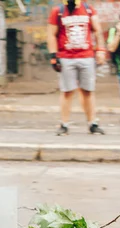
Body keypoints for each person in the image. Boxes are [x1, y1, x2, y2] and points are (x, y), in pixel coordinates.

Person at [47, 0, 106, 136]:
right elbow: (51, 34)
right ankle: (64, 124)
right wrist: (53, 56)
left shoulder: (88, 9)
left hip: (86, 56)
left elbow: (97, 30)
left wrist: (101, 50)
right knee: (67, 91)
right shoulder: (58, 11)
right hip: (66, 57)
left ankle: (93, 123)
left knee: (88, 91)